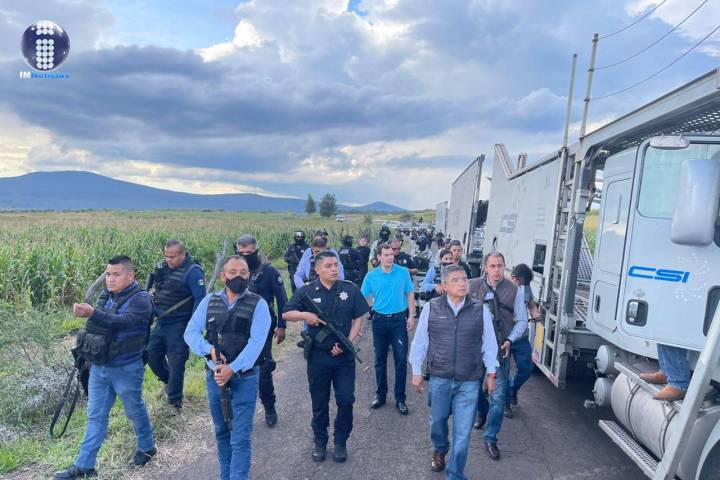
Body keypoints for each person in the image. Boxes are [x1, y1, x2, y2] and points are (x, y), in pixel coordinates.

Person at [54, 256, 155, 480]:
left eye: (116, 274)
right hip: (99, 368)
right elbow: (95, 327)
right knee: (95, 416)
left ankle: (147, 447)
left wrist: (92, 313)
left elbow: (124, 321)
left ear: (130, 275)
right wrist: (87, 356)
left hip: (126, 368)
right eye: (108, 274)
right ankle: (84, 466)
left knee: (134, 410)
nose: (110, 279)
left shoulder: (141, 299)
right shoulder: (105, 296)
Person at [184, 255, 271, 480]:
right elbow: (190, 332)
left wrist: (232, 368)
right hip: (215, 377)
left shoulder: (259, 305)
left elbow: (256, 344)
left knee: (240, 437)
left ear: (249, 275)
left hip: (245, 377)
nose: (238, 276)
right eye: (233, 272)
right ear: (223, 276)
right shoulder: (209, 302)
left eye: (243, 272)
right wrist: (210, 351)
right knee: (222, 433)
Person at [409, 264, 498, 479]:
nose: (461, 284)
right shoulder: (432, 307)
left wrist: (491, 373)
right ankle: (440, 448)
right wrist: (416, 371)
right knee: (437, 422)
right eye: (455, 280)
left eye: (464, 279)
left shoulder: (480, 310)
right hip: (440, 377)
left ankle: (455, 474)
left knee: (463, 433)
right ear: (445, 285)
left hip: (469, 380)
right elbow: (420, 342)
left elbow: (490, 345)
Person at [283, 251, 370, 463]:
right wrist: (305, 315)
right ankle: (320, 441)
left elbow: (358, 318)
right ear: (317, 269)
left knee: (346, 400)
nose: (334, 269)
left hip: (343, 358)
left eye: (335, 265)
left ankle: (340, 442)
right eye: (328, 266)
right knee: (319, 402)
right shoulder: (307, 291)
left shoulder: (349, 289)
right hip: (318, 357)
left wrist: (348, 342)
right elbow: (286, 313)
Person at [468, 252, 527, 461]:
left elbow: (522, 321)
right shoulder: (472, 286)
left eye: (499, 266)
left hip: (500, 351)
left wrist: (510, 339)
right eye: (492, 266)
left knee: (499, 397)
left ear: (504, 267)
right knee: (474, 390)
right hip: (475, 349)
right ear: (485, 267)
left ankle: (491, 438)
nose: (496, 270)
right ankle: (482, 410)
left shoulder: (515, 291)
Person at [234, 235, 288, 427]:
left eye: (249, 253)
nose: (245, 256)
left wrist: (282, 325)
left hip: (262, 326)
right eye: (241, 253)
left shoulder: (269, 272)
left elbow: (282, 299)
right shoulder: (235, 271)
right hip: (238, 327)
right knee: (239, 368)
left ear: (256, 251)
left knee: (263, 368)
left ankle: (269, 407)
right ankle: (240, 411)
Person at [146, 240, 206, 411]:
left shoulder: (193, 271)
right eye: (166, 256)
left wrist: (194, 327)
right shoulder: (163, 268)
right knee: (151, 354)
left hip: (180, 324)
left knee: (176, 362)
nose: (168, 260)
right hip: (161, 321)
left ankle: (174, 403)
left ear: (183, 254)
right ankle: (168, 381)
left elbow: (200, 300)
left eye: (172, 257)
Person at [361, 243, 415, 415]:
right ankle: (381, 396)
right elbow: (363, 298)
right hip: (379, 321)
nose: (390, 257)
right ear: (378, 257)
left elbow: (410, 293)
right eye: (386, 255)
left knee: (401, 360)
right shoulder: (371, 276)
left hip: (399, 320)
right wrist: (359, 322)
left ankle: (400, 398)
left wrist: (411, 316)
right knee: (379, 360)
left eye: (391, 254)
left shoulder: (403, 272)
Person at [503, 263, 538, 415]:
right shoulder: (503, 289)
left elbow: (531, 304)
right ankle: (505, 403)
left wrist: (534, 312)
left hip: (521, 338)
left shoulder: (525, 287)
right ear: (513, 278)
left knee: (526, 369)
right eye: (522, 283)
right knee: (504, 371)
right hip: (505, 337)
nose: (524, 287)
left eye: (526, 285)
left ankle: (513, 389)